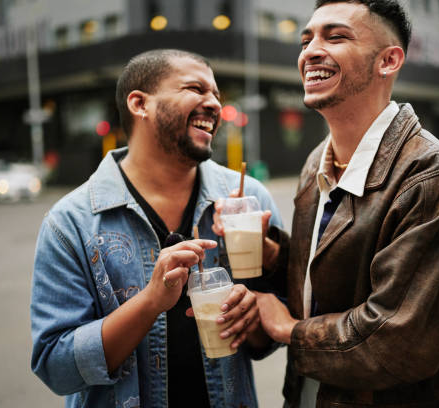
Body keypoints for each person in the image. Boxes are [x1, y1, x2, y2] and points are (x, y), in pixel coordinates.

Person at [252, 1, 439, 407]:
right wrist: (277, 257)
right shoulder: (317, 160)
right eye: (307, 38)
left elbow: (396, 341)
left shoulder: (430, 174)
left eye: (336, 36)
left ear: (388, 60)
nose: (310, 50)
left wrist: (287, 330)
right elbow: (335, 281)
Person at [30, 49, 283, 408]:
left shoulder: (249, 199)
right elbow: (56, 367)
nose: (213, 104)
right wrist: (150, 302)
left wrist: (253, 315)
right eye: (196, 89)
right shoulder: (69, 221)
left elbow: (280, 327)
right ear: (139, 103)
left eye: (216, 95)